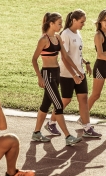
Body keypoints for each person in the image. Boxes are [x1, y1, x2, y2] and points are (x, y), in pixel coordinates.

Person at [44, 9, 102, 138]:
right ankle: (51, 123)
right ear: (74, 20)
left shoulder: (78, 33)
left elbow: (76, 54)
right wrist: (74, 74)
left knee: (83, 100)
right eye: (82, 22)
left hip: (80, 72)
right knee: (66, 100)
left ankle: (87, 127)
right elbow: (65, 58)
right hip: (66, 74)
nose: (83, 24)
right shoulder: (65, 34)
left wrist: (85, 62)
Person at [32, 12, 84, 146]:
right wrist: (40, 77)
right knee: (58, 105)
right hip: (48, 75)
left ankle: (36, 133)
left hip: (57, 73)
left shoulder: (57, 38)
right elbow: (34, 59)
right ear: (51, 24)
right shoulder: (43, 40)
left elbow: (65, 56)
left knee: (45, 105)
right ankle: (68, 136)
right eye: (59, 23)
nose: (61, 26)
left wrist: (77, 71)